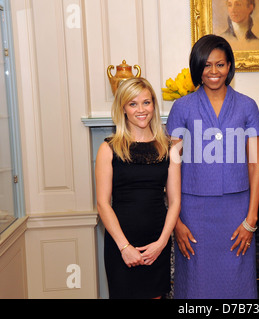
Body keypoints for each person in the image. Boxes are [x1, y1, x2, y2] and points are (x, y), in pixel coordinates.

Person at [166, 34, 259, 299]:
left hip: (237, 213)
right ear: (197, 68)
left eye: (220, 64)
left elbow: (255, 165)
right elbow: (172, 166)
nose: (213, 71)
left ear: (230, 66)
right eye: (206, 65)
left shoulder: (247, 106)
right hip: (192, 214)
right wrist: (176, 222)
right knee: (196, 287)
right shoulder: (181, 107)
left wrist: (251, 220)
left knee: (237, 287)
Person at [95, 77, 181, 299]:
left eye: (146, 102)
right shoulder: (108, 148)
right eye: (133, 104)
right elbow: (103, 204)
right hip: (120, 244)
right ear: (123, 108)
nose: (141, 110)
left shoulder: (169, 148)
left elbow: (175, 202)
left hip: (157, 243)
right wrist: (125, 247)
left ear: (154, 105)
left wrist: (161, 244)